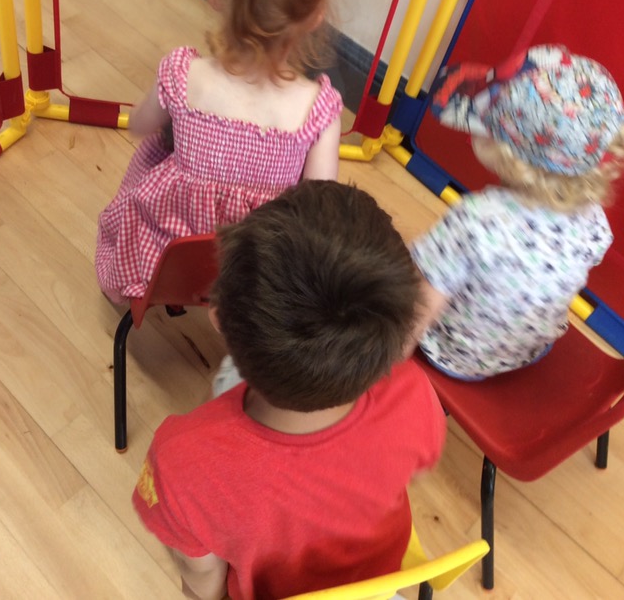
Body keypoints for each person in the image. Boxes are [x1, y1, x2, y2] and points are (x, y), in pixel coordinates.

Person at [133, 180, 446, 600]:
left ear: (219, 319)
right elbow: (412, 469)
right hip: (382, 585)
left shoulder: (180, 459)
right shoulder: (414, 393)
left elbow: (203, 582)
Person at [96, 0, 343, 303]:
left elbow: (138, 125)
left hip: (169, 260)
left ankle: (129, 286)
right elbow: (319, 206)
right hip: (257, 271)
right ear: (316, 17)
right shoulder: (319, 110)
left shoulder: (181, 73)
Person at [411, 43, 624, 380]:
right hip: (531, 349)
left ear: (504, 151)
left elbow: (420, 309)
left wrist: (386, 362)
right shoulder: (593, 218)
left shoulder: (476, 220)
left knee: (405, 271)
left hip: (456, 357)